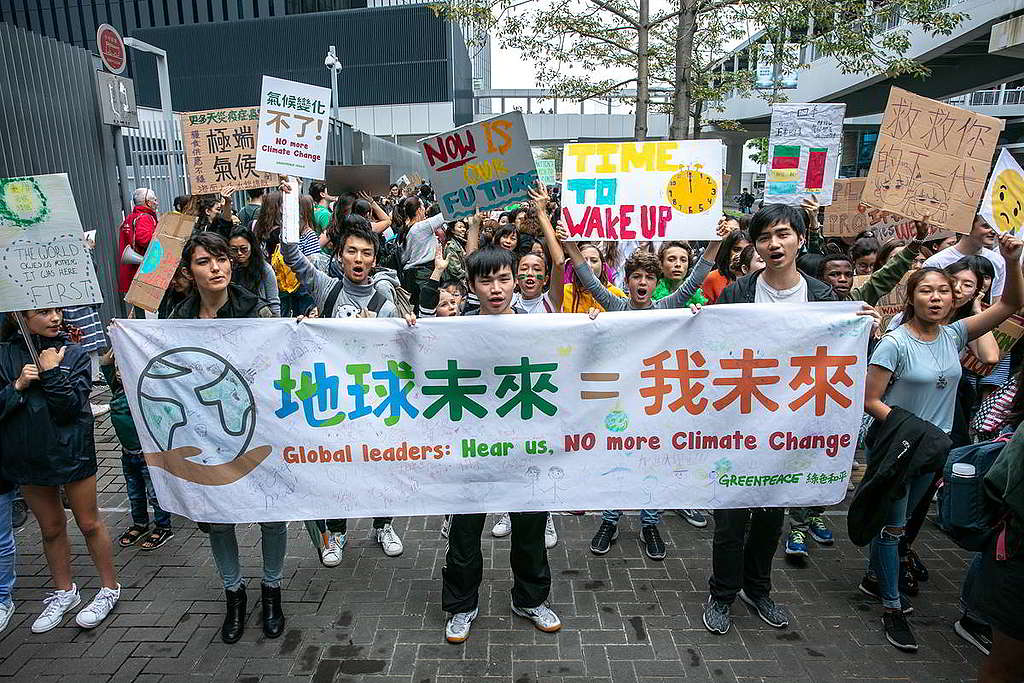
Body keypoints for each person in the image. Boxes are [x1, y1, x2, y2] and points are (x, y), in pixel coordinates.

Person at [702, 204, 877, 636]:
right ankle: (722, 594)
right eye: (764, 238)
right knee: (730, 517)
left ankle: (757, 590)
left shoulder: (822, 297)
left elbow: (836, 360)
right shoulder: (737, 293)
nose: (773, 245)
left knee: (770, 515)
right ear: (754, 245)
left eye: (782, 235)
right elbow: (714, 352)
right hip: (738, 426)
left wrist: (864, 331)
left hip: (789, 429)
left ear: (801, 238)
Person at [861, 231, 1023, 652]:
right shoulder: (894, 343)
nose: (935, 298)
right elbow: (870, 400)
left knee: (904, 522)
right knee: (893, 526)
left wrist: (1012, 260)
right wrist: (913, 428)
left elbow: (1010, 306)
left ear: (955, 300)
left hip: (934, 450)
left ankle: (876, 577)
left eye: (943, 292)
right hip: (899, 446)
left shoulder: (954, 336)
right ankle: (892, 606)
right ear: (911, 297)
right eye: (926, 291)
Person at [168, 232, 284, 643]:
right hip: (206, 435)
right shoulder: (178, 319)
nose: (216, 267)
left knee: (271, 513)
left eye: (222, 258)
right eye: (204, 261)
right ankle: (234, 594)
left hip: (258, 430)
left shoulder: (257, 310)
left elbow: (281, 361)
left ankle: (272, 591)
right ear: (189, 271)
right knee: (218, 517)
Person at [443, 246, 561, 644]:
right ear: (472, 287)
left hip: (524, 448)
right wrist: (411, 329)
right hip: (471, 449)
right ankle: (461, 605)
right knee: (464, 533)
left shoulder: (539, 327)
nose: (496, 288)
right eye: (486, 280)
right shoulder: (452, 330)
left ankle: (530, 599)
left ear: (515, 279)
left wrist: (590, 325)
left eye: (503, 278)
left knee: (529, 529)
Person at [281, 203, 411, 562]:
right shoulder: (327, 289)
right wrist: (290, 198)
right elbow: (291, 253)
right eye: (352, 251)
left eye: (366, 253)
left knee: (379, 465)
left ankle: (383, 524)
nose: (359, 258)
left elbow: (399, 355)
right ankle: (335, 534)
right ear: (339, 255)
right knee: (335, 466)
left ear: (374, 259)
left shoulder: (385, 303)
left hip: (373, 401)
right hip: (334, 400)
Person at [0, 308, 120, 633]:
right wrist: (17, 385)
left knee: (89, 522)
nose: (54, 317)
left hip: (71, 452)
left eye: (56, 310)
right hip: (28, 455)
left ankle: (109, 587)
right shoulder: (4, 355)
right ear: (20, 318)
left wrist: (52, 372)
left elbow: (70, 408)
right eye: (42, 312)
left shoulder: (75, 353)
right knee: (51, 528)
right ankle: (64, 591)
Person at [100, 348, 173, 551]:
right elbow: (105, 363)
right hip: (128, 454)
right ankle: (140, 523)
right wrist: (118, 339)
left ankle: (163, 526)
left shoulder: (145, 392)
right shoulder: (117, 389)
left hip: (148, 456)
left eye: (124, 367)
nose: (118, 372)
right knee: (135, 493)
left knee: (155, 493)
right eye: (118, 368)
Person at [924, 215, 1006, 301]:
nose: (993, 231)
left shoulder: (998, 261)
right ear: (968, 226)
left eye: (995, 226)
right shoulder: (935, 262)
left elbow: (995, 301)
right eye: (986, 226)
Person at [228, 226, 281, 316]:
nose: (239, 253)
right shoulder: (227, 269)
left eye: (244, 249)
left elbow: (274, 302)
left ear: (251, 247)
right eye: (234, 250)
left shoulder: (265, 269)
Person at [118, 188, 159, 295]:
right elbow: (144, 240)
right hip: (141, 269)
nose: (156, 203)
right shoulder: (145, 218)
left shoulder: (130, 217)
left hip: (131, 268)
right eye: (154, 200)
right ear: (147, 202)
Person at [700, 217, 748, 304]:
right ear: (728, 251)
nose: (741, 254)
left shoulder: (759, 278)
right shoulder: (712, 278)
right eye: (737, 249)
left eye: (746, 250)